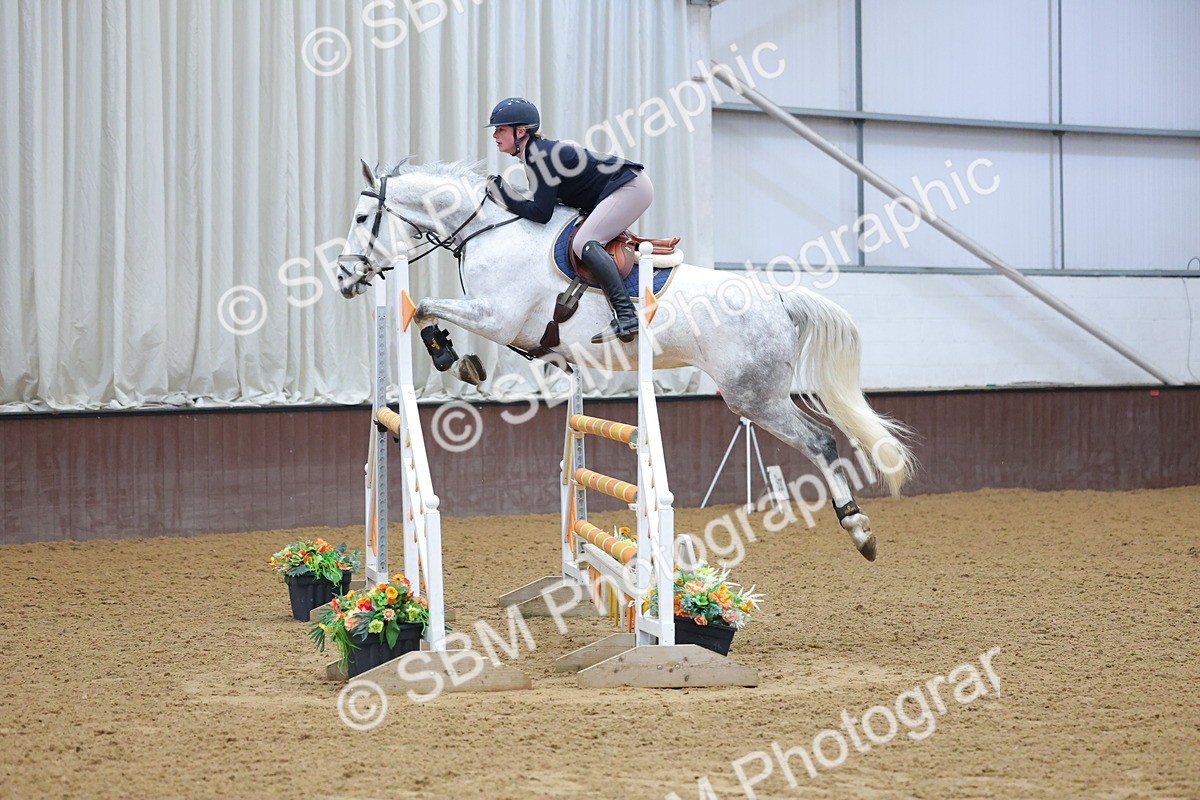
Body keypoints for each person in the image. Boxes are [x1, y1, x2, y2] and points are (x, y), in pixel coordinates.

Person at [484, 97, 653, 343]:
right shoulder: (535, 153)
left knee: (583, 241)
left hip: (630, 187)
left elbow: (541, 214)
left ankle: (627, 315)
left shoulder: (539, 156)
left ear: (520, 132)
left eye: (501, 129)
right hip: (622, 186)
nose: (495, 136)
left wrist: (505, 197)